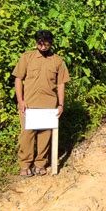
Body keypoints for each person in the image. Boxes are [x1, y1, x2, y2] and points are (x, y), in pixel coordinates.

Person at [12, 30, 70, 177]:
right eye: (40, 43)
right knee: (26, 135)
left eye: (46, 44)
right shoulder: (27, 57)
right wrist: (20, 101)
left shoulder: (58, 61)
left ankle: (40, 164)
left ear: (51, 43)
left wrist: (61, 104)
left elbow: (61, 84)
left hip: (49, 106)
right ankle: (25, 165)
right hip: (28, 105)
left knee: (45, 135)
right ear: (36, 42)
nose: (43, 47)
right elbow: (18, 79)